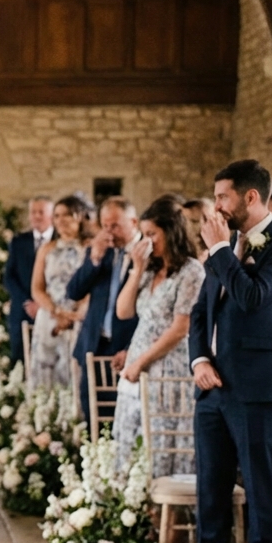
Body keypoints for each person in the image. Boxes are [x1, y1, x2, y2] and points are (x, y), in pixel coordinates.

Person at [170, 159, 272, 543]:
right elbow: (199, 312)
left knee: (260, 493)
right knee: (211, 491)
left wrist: (219, 251)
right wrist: (198, 361)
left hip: (258, 388)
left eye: (223, 197)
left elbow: (252, 298)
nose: (217, 207)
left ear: (251, 198)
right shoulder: (224, 247)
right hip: (212, 388)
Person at [110, 196, 205, 475]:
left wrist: (140, 363)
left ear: (171, 232)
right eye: (143, 234)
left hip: (168, 368)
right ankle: (130, 505)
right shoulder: (150, 269)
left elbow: (180, 328)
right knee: (130, 442)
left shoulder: (191, 271)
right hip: (138, 366)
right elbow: (123, 311)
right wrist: (137, 269)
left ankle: (159, 509)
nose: (147, 241)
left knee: (160, 442)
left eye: (152, 234)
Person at [67, 196, 141, 420]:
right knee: (92, 414)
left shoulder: (147, 254)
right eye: (105, 225)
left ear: (134, 222)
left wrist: (132, 347)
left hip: (127, 348)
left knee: (125, 417)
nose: (109, 232)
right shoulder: (102, 251)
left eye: (116, 225)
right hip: (94, 344)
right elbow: (73, 292)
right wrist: (95, 258)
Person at [28, 194, 90, 388]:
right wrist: (55, 312)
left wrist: (74, 314)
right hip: (49, 317)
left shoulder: (89, 247)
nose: (61, 220)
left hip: (79, 317)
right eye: (57, 215)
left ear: (79, 216)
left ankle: (73, 418)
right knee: (46, 377)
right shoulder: (47, 249)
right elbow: (37, 288)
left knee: (73, 373)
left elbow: (94, 285)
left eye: (67, 215)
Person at [3, 196, 55, 366]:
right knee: (20, 358)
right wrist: (27, 302)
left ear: (52, 215)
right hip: (23, 311)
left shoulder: (60, 241)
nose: (36, 216)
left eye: (41, 212)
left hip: (52, 310)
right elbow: (9, 277)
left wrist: (42, 303)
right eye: (33, 212)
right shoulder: (19, 241)